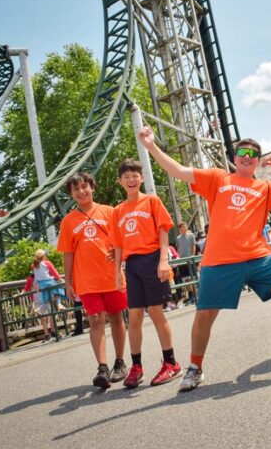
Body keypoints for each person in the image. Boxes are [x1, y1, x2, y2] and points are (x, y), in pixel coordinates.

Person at [137, 126, 271, 392]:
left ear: (258, 161)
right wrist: (151, 146)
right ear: (235, 158)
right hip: (219, 260)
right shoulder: (218, 178)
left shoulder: (266, 187)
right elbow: (178, 171)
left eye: (253, 154)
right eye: (242, 153)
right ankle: (195, 368)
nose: (247, 157)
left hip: (257, 255)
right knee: (205, 314)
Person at [111, 159, 182, 388]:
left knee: (156, 313)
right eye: (126, 176)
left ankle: (171, 363)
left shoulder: (151, 201)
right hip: (132, 265)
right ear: (120, 181)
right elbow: (118, 245)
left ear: (141, 178)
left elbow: (163, 232)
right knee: (134, 317)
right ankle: (137, 365)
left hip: (152, 259)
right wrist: (118, 272)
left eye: (135, 175)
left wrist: (163, 261)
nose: (131, 179)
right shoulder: (118, 211)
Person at [57, 171, 128, 388]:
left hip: (112, 275)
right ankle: (102, 367)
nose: (81, 191)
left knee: (116, 317)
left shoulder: (109, 211)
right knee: (95, 319)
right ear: (71, 194)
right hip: (86, 280)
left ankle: (120, 362)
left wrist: (118, 255)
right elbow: (67, 253)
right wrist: (67, 281)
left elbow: (123, 240)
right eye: (75, 188)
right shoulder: (68, 222)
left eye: (84, 186)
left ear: (92, 188)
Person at [175, 222, 197, 304]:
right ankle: (191, 296)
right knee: (186, 279)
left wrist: (192, 256)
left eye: (186, 226)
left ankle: (195, 295)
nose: (185, 228)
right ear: (180, 229)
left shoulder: (191, 235)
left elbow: (193, 246)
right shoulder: (178, 238)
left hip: (190, 260)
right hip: (182, 261)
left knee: (193, 277)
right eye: (183, 227)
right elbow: (178, 248)